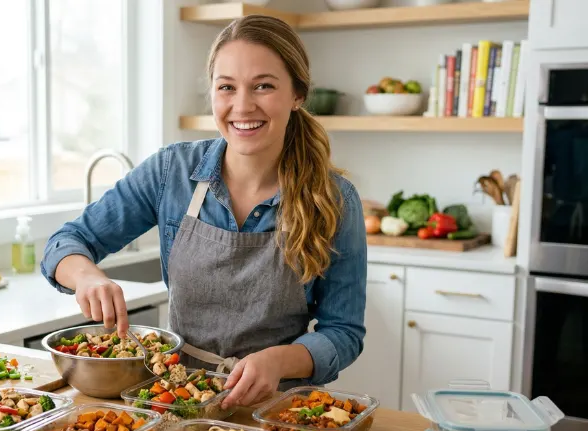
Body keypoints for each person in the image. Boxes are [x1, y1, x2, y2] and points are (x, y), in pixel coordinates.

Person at [40, 14, 366, 409]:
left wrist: (279, 361)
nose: (242, 105)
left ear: (297, 94)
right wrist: (87, 277)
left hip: (278, 408)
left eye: (263, 86)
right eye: (226, 87)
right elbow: (66, 242)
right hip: (175, 398)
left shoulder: (334, 198)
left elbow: (343, 332)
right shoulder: (170, 173)